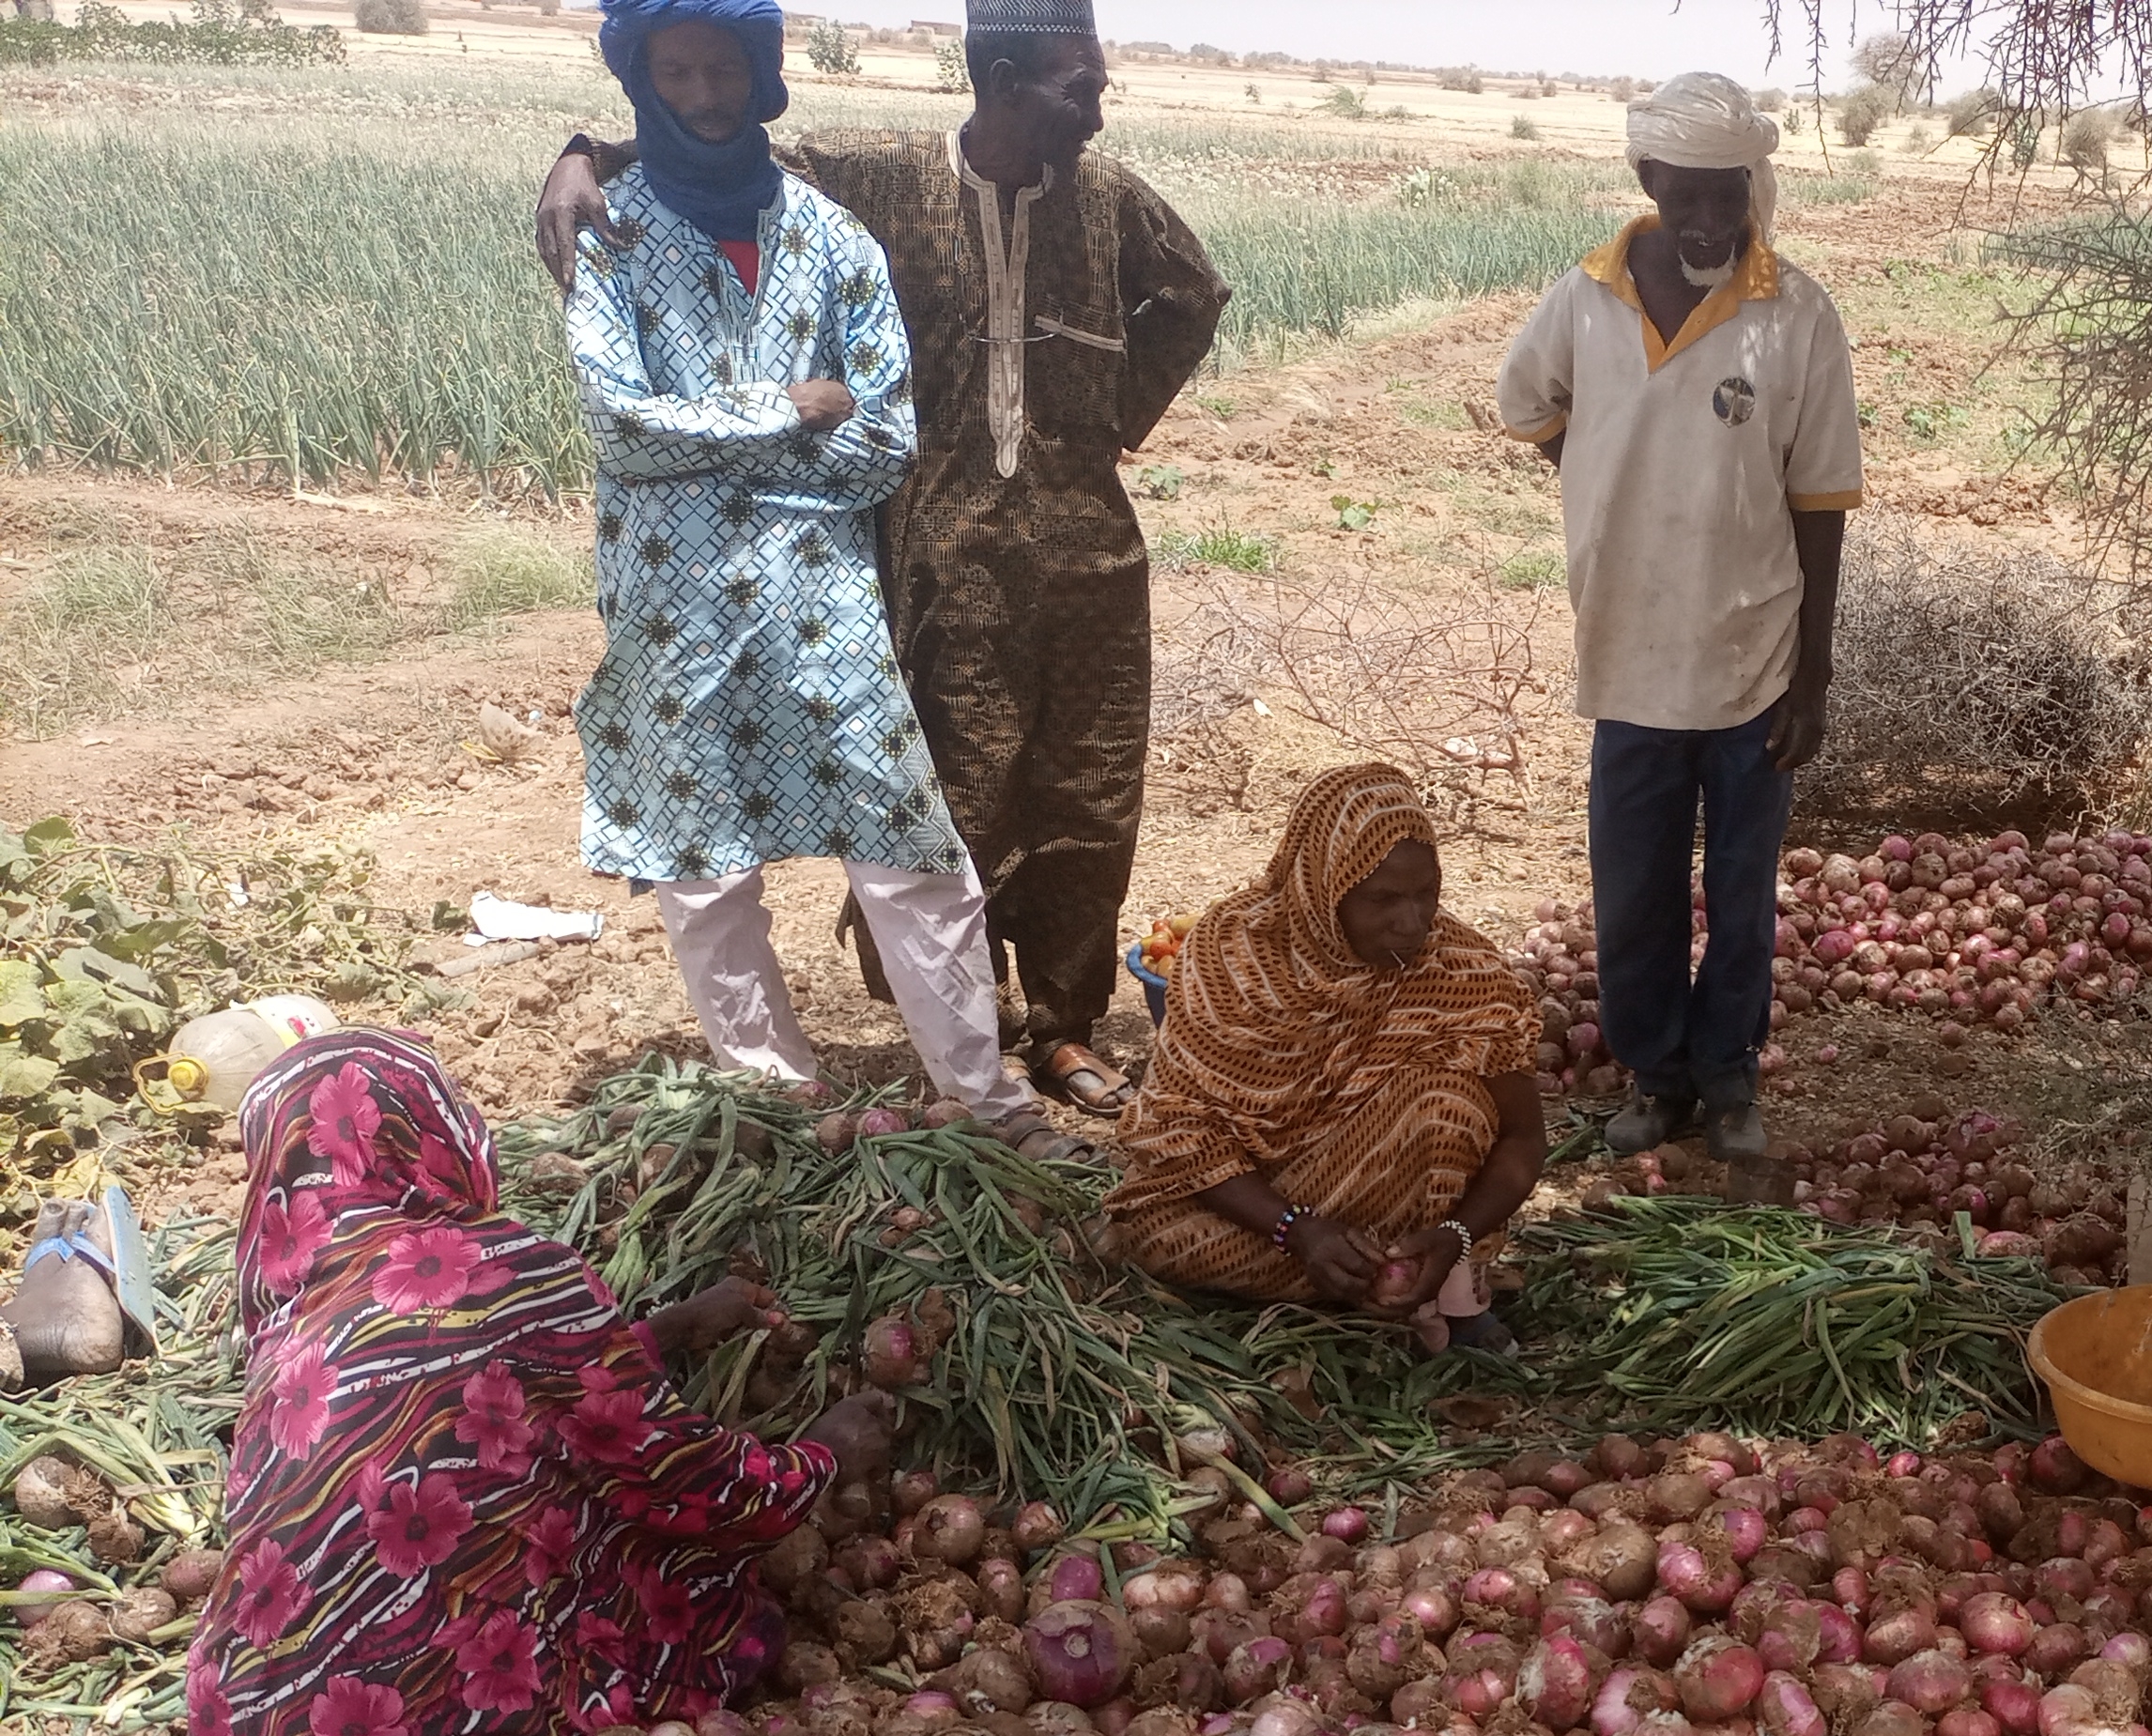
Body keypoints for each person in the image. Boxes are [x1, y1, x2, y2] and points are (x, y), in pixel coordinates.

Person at [537, 0, 1230, 1119]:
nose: (1097, 104)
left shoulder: (1104, 199)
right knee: (956, 795)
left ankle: (1060, 1029)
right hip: (934, 547)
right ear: (1003, 81)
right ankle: (960, 1040)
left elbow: (1192, 294)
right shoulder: (886, 184)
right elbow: (719, 136)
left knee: (1089, 792)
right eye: (1078, 82)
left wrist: (1109, 414)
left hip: (1082, 542)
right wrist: (579, 154)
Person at [177, 1034, 890, 1736]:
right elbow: (677, 1477)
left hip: (249, 1733)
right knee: (669, 1570)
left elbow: (490, 1393)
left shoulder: (294, 1309)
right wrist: (819, 1458)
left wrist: (662, 1333)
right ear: (432, 1130)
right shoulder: (501, 1268)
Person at [567, 0, 1055, 1153]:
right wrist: (785, 409)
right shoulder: (611, 236)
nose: (698, 91)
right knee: (704, 866)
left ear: (763, 69)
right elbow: (619, 423)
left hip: (820, 594)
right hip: (669, 609)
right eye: (672, 68)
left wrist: (717, 456)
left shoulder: (834, 241)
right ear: (640, 78)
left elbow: (883, 439)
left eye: (720, 64)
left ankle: (984, 1101)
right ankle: (776, 1102)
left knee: (907, 844)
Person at [1495, 69, 1862, 1169]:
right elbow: (1530, 404)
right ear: (1646, 180)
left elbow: (1819, 502)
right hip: (1628, 655)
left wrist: (1813, 674)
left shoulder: (1795, 315)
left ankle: (1728, 1074)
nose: (1707, 221)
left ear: (1752, 187)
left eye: (1727, 197)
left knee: (1741, 893)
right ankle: (1655, 1075)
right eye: (1686, 196)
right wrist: (1610, 481)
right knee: (1633, 890)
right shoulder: (1584, 298)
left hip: (1751, 654)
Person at [1106, 765, 1547, 1352]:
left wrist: (1457, 1235)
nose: (1412, 922)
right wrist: (1298, 1230)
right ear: (1323, 887)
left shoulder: (1463, 973)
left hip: (1396, 1190)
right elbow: (1179, 1128)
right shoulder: (1231, 956)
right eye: (1382, 899)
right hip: (1256, 1201)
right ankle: (1376, 1282)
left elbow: (1523, 1137)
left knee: (1448, 1104)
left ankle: (1435, 1281)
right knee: (1154, 1234)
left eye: (1427, 893)